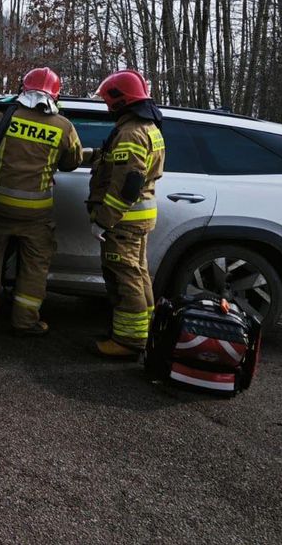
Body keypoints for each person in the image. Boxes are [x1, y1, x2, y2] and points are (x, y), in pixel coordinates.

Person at [0, 67, 84, 335]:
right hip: (35, 212)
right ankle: (24, 321)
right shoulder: (63, 126)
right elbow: (71, 163)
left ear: (24, 88)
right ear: (55, 95)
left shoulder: (8, 117)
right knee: (34, 265)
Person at [88, 69, 166, 358]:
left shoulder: (131, 132)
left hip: (123, 220)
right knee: (138, 274)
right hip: (138, 218)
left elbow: (127, 185)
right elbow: (120, 165)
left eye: (109, 100)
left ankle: (129, 342)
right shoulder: (146, 127)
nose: (107, 106)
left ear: (120, 100)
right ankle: (145, 332)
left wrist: (103, 221)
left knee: (124, 277)